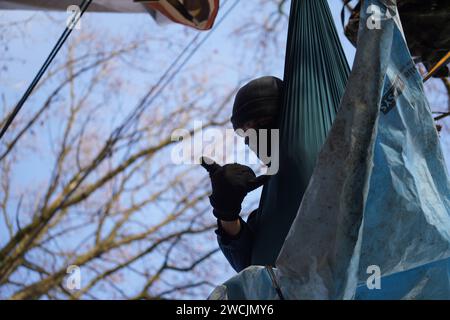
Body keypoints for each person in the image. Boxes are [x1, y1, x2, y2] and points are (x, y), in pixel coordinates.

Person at [201, 76, 283, 272]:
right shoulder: (274, 205)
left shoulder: (342, 136)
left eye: (261, 123)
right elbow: (251, 266)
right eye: (246, 135)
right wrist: (226, 213)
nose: (252, 140)